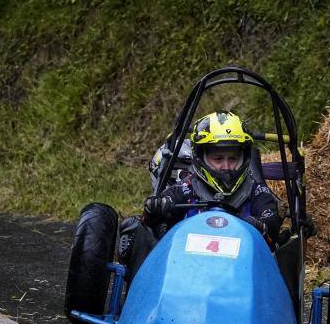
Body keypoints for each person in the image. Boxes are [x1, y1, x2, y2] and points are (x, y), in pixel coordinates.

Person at [118, 111, 282, 280]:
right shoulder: (188, 187)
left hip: (244, 277)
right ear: (200, 157)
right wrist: (155, 208)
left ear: (244, 157)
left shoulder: (256, 190)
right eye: (218, 158)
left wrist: (260, 225)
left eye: (233, 159)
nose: (226, 166)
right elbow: (163, 204)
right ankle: (142, 290)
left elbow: (271, 217)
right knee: (132, 228)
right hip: (184, 274)